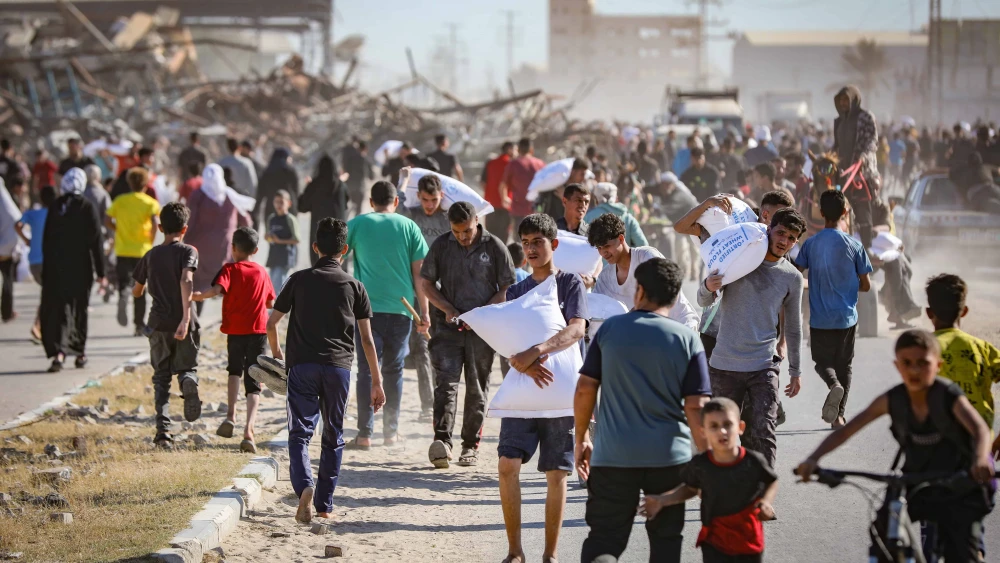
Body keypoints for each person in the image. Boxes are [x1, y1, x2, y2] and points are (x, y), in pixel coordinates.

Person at [796, 330, 995, 563]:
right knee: (883, 530)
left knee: (961, 553)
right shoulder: (893, 399)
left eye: (923, 363)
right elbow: (847, 431)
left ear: (938, 365)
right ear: (897, 366)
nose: (914, 370)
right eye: (907, 363)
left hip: (960, 482)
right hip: (916, 480)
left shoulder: (947, 395)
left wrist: (981, 459)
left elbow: (980, 429)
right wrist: (813, 458)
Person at [575, 257, 712, 563]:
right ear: (675, 297)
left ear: (638, 291)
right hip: (668, 459)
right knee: (665, 544)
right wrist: (705, 459)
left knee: (604, 541)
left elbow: (585, 387)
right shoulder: (688, 339)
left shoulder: (609, 331)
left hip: (612, 458)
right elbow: (696, 405)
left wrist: (582, 438)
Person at [266, 217, 385, 524]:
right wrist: (376, 381)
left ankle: (305, 486)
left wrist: (278, 353)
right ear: (345, 250)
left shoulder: (298, 279)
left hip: (302, 367)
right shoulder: (355, 286)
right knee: (334, 436)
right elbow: (368, 340)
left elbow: (271, 323)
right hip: (338, 370)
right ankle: (324, 505)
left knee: (300, 434)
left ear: (315, 247)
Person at [499, 214, 589, 563]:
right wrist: (523, 363)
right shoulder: (517, 291)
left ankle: (550, 556)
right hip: (524, 391)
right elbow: (506, 340)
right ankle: (515, 551)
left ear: (554, 244)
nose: (531, 248)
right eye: (526, 243)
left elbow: (576, 330)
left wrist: (536, 352)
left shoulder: (570, 284)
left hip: (561, 394)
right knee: (507, 465)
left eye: (537, 241)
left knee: (556, 472)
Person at [697, 208, 806, 467]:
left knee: (764, 431)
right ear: (769, 229)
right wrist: (707, 286)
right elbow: (703, 300)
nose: (784, 241)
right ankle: (722, 492)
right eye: (781, 233)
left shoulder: (792, 277)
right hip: (724, 364)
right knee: (722, 435)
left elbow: (793, 327)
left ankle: (762, 497)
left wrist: (796, 370)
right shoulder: (739, 262)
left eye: (792, 238)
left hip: (764, 364)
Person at [420, 201, 515, 468]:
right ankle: (442, 443)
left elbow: (507, 287)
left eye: (467, 231)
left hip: (483, 331)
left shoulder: (494, 246)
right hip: (447, 329)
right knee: (446, 386)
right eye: (457, 231)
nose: (462, 237)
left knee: (477, 388)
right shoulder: (441, 245)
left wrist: (482, 314)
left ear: (477, 221)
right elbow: (426, 283)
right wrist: (448, 309)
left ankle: (469, 446)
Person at [345, 174, 429, 449]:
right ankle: (390, 431)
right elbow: (420, 276)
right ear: (396, 201)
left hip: (364, 310)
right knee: (394, 369)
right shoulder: (409, 226)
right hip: (401, 309)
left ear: (371, 202)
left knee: (366, 370)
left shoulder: (356, 224)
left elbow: (338, 259)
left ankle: (365, 434)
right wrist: (424, 312)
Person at [640, 398, 778, 563]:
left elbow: (771, 480)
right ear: (703, 431)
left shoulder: (753, 460)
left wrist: (766, 502)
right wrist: (663, 500)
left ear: (740, 427)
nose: (722, 431)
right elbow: (690, 488)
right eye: (714, 426)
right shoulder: (701, 464)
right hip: (714, 541)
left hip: (749, 541)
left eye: (727, 424)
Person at [794, 190, 873, 428]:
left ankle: (832, 385)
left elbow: (797, 275)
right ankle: (838, 416)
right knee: (845, 365)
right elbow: (866, 286)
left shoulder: (810, 244)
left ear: (820, 213)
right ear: (845, 213)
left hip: (820, 319)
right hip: (847, 318)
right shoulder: (855, 245)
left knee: (821, 361)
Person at [192, 226, 276, 453]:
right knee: (254, 380)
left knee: (234, 371)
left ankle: (230, 415)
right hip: (258, 331)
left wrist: (196, 296)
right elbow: (270, 303)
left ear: (233, 248)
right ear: (256, 250)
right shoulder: (261, 272)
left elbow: (217, 290)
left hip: (235, 331)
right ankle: (249, 429)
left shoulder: (229, 269)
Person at [131, 202, 201, 449]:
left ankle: (163, 432)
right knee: (187, 367)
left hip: (158, 325)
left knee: (161, 378)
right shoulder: (189, 251)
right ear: (185, 228)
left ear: (160, 227)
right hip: (185, 324)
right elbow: (186, 279)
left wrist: (145, 286)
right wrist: (185, 318)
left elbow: (137, 291)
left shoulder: (150, 256)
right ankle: (188, 381)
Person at [40, 169, 105, 372]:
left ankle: (59, 353)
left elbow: (46, 241)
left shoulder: (56, 206)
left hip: (56, 268)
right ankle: (79, 352)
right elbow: (96, 242)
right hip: (81, 267)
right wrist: (101, 272)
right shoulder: (86, 207)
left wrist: (46, 269)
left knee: (58, 309)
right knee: (79, 308)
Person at [589, 213, 700, 331]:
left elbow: (661, 296)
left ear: (621, 238)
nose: (603, 252)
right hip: (648, 337)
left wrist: (631, 316)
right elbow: (595, 309)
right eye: (599, 248)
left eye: (607, 246)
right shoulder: (605, 278)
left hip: (681, 328)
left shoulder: (647, 257)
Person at [926, 274, 1000, 429]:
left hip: (935, 440)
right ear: (964, 311)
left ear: (929, 313)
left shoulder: (923, 348)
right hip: (979, 437)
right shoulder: (983, 348)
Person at [184, 164, 253, 315]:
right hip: (226, 247)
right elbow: (246, 220)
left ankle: (194, 320)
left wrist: (185, 242)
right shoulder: (230, 195)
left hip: (201, 247)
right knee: (226, 282)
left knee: (198, 285)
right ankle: (232, 317)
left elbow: (190, 221)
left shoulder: (198, 195)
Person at [106, 167, 161, 335]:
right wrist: (150, 240)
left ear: (129, 182)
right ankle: (138, 325)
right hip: (142, 250)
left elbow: (107, 218)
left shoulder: (120, 200)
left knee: (124, 281)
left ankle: (123, 295)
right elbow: (154, 222)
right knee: (140, 288)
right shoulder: (150, 202)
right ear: (145, 184)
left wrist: (117, 229)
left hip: (122, 248)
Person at [832, 86, 879, 250]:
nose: (843, 103)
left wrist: (863, 157)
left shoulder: (865, 117)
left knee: (862, 209)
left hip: (861, 173)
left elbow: (871, 141)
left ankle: (867, 249)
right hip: (842, 172)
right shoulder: (839, 121)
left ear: (854, 100)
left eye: (846, 100)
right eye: (841, 100)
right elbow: (836, 146)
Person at [16, 184, 56, 339]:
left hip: (33, 263)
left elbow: (18, 225)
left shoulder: (32, 213)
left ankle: (44, 327)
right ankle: (38, 325)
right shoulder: (56, 214)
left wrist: (27, 240)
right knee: (49, 294)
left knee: (49, 292)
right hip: (50, 261)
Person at [500, 138, 545, 232]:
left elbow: (503, 184)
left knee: (520, 239)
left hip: (518, 209)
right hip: (537, 208)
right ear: (531, 150)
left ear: (518, 150)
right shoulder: (540, 164)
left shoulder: (513, 164)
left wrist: (504, 198)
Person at [82, 165, 113, 300]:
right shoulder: (102, 194)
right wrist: (112, 236)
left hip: (82, 235)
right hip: (101, 234)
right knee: (103, 261)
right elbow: (108, 216)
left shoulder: (81, 194)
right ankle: (104, 284)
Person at [583, 183, 647, 248]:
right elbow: (643, 245)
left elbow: (581, 244)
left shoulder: (588, 217)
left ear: (595, 198)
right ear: (616, 198)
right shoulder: (628, 218)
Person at [254, 148, 299, 229]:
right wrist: (297, 207)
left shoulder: (267, 172)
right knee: (289, 235)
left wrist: (256, 209)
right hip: (288, 207)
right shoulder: (290, 171)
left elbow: (260, 193)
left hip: (271, 208)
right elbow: (296, 191)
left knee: (273, 235)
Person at [265, 190, 300, 291]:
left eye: (281, 202)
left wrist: (280, 241)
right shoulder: (271, 218)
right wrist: (268, 237)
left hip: (285, 257)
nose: (279, 205)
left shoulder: (290, 219)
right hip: (273, 256)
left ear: (288, 203)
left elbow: (296, 239)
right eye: (276, 202)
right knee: (272, 283)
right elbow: (268, 236)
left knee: (279, 284)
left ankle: (278, 306)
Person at [483, 142, 517, 241]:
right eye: (515, 150)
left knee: (490, 236)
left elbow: (483, 182)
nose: (516, 152)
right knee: (503, 237)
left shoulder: (490, 163)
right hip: (506, 205)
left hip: (490, 204)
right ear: (510, 150)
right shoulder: (511, 164)